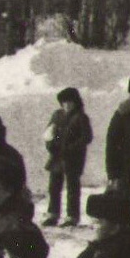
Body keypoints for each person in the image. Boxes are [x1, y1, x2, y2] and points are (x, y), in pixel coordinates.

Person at [42, 87, 93, 227]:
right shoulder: (57, 115)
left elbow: (87, 137)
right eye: (64, 102)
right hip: (57, 157)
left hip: (73, 158)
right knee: (54, 186)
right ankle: (53, 214)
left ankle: (72, 216)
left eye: (70, 102)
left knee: (72, 187)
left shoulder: (81, 117)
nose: (67, 105)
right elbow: (48, 133)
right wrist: (50, 145)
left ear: (76, 102)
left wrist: (71, 148)